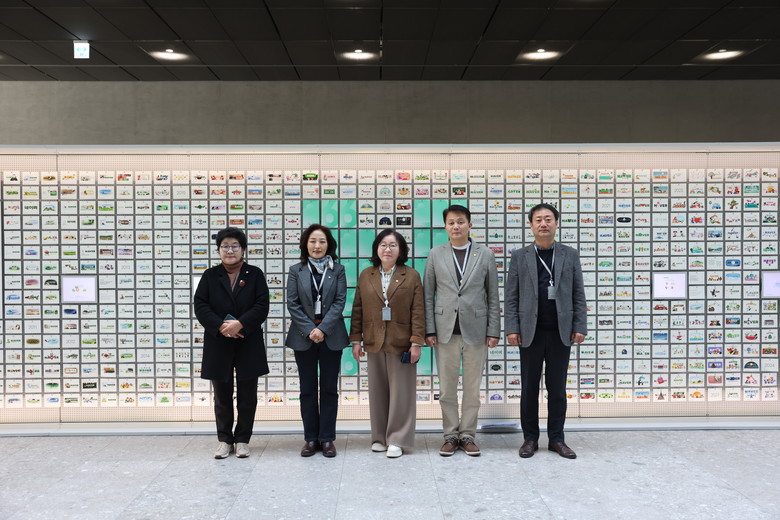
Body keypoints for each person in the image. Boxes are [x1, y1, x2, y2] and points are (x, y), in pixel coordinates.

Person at [505, 203, 587, 459]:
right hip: (530, 332)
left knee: (557, 388)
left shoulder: (569, 254)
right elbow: (511, 296)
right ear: (530, 225)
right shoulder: (520, 256)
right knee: (529, 388)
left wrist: (579, 325)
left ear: (556, 223)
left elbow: (578, 293)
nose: (543, 224)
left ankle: (557, 439)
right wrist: (512, 328)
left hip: (561, 332)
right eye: (538, 219)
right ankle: (530, 438)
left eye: (548, 219)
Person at [424, 204, 500, 457]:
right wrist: (429, 330)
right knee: (446, 389)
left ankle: (467, 435)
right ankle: (449, 435)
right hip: (444, 331)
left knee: (472, 389)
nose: (455, 226)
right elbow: (428, 295)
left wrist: (493, 331)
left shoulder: (485, 254)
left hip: (476, 330)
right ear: (445, 227)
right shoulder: (435, 254)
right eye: (451, 223)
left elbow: (493, 295)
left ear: (470, 224)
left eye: (460, 222)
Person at [194, 227, 269, 459]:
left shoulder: (254, 274)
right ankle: (225, 440)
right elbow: (200, 305)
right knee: (222, 395)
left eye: (234, 246)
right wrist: (221, 326)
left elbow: (262, 305)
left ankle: (243, 440)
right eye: (225, 246)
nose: (229, 250)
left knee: (248, 395)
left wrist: (240, 324)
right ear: (218, 250)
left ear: (243, 249)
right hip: (219, 342)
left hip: (248, 340)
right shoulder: (210, 275)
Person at [350, 229, 425, 458]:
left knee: (401, 393)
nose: (387, 249)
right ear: (376, 248)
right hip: (373, 340)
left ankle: (397, 439)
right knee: (377, 392)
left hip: (402, 342)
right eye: (383, 244)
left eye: (393, 245)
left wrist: (416, 342)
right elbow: (357, 309)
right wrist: (356, 340)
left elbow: (418, 311)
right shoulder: (366, 275)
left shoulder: (411, 275)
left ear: (401, 250)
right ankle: (379, 437)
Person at [285, 224, 349, 458]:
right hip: (304, 336)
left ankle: (327, 438)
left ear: (329, 244)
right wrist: (311, 329)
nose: (317, 246)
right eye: (312, 241)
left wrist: (323, 329)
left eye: (322, 241)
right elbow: (292, 303)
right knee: (307, 390)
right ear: (305, 244)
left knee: (330, 389)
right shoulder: (296, 270)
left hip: (331, 335)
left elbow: (340, 302)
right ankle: (311, 438)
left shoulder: (338, 270)